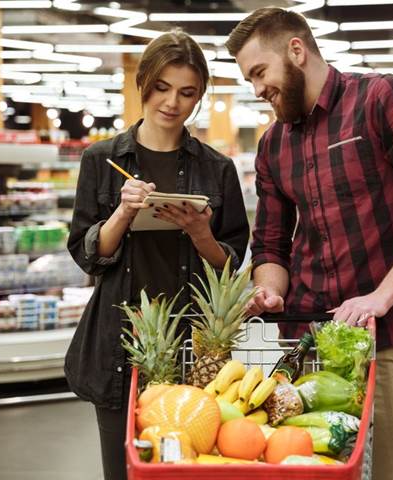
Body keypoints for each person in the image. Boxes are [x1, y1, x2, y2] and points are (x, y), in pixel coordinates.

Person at [226, 8, 393, 480]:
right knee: (313, 465)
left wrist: (380, 297)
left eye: (260, 72)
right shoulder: (273, 144)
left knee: (389, 470)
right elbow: (271, 243)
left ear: (296, 50)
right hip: (308, 339)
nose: (256, 90)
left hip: (387, 334)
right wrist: (270, 288)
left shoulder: (381, 100)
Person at [66, 29, 249, 480]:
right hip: (120, 344)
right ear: (144, 82)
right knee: (122, 469)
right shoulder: (101, 159)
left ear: (199, 97)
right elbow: (87, 254)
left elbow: (232, 263)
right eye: (162, 87)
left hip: (195, 345)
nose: (172, 102)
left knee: (189, 466)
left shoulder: (217, 168)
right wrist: (122, 214)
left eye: (188, 93)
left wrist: (201, 233)